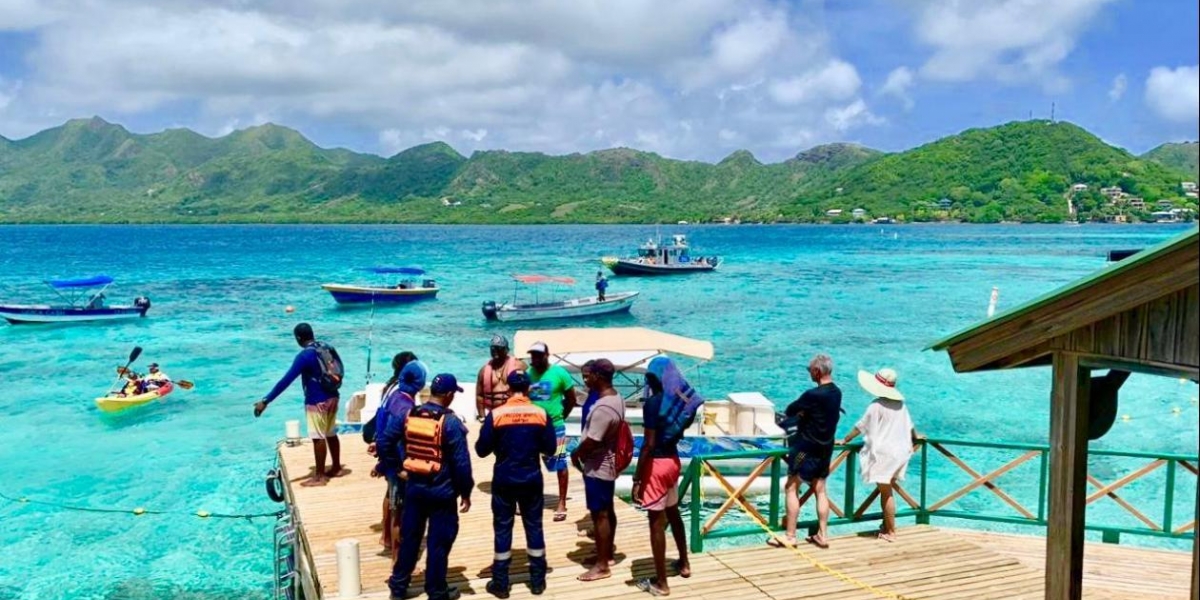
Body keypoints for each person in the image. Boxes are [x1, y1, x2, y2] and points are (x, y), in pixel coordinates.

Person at [374, 373, 474, 600]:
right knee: (439, 542)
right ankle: (436, 591)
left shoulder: (410, 415)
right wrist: (466, 492)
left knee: (410, 539)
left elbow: (384, 441)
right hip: (442, 492)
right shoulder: (451, 423)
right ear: (449, 396)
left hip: (415, 489)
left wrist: (397, 468)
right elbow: (461, 463)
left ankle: (398, 587)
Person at [475, 371, 557, 598]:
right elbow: (551, 449)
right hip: (531, 478)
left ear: (508, 388)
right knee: (534, 526)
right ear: (529, 388)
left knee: (502, 527)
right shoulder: (541, 413)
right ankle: (538, 581)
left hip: (504, 479)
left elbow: (481, 450)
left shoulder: (498, 414)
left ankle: (501, 583)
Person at [632, 357, 701, 596]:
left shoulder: (652, 404)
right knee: (674, 513)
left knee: (656, 523)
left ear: (653, 378)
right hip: (673, 462)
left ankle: (661, 583)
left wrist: (637, 478)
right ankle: (684, 563)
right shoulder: (677, 403)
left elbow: (649, 445)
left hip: (657, 465)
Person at [254, 323, 345, 487]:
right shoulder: (326, 347)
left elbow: (286, 380)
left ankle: (320, 477)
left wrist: (266, 400)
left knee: (318, 437)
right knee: (330, 432)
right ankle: (337, 467)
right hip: (333, 396)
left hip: (317, 400)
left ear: (298, 338)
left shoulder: (304, 356)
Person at [841, 367, 920, 543]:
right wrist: (917, 437)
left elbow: (860, 426)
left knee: (886, 492)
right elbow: (910, 427)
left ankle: (891, 531)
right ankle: (886, 526)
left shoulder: (876, 405)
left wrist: (845, 439)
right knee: (888, 489)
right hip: (898, 452)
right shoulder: (900, 405)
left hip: (884, 454)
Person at [772, 354, 842, 550]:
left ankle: (790, 535)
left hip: (806, 447)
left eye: (810, 370)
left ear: (817, 371)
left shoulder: (813, 395)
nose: (809, 373)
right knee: (820, 489)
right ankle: (823, 534)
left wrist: (802, 414)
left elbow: (790, 409)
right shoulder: (837, 393)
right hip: (826, 448)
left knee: (791, 486)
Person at [570, 358, 623, 582]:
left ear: (599, 377)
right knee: (607, 509)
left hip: (598, 465)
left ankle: (602, 566)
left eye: (590, 375)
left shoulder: (602, 407)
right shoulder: (616, 398)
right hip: (607, 463)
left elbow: (592, 439)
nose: (586, 379)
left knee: (599, 514)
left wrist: (576, 454)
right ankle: (607, 553)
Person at [368, 353, 424, 557]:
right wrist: (395, 465)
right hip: (396, 460)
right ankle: (398, 557)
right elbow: (395, 435)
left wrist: (381, 454)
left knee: (391, 500)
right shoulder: (405, 404)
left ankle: (387, 538)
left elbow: (382, 420)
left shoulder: (393, 392)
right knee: (400, 511)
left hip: (388, 454)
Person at [527, 341, 577, 521]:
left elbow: (572, 398)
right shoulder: (528, 374)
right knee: (531, 464)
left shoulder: (559, 373)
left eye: (539, 355)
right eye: (533, 355)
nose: (535, 358)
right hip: (533, 428)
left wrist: (561, 415)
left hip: (555, 427)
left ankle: (562, 501)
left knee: (560, 464)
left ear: (547, 355)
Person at [476, 335, 526, 421]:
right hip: (493, 414)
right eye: (493, 349)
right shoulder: (483, 371)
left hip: (514, 414)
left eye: (498, 348)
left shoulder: (519, 366)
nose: (495, 351)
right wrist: (482, 416)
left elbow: (528, 387)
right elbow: (480, 395)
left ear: (506, 350)